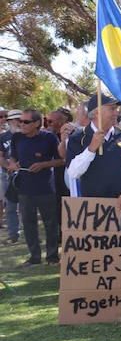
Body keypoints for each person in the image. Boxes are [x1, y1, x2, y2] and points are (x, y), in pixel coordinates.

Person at [66, 95, 121, 211]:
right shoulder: (78, 138)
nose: (116, 112)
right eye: (112, 109)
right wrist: (91, 149)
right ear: (97, 113)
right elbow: (73, 173)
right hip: (94, 210)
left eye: (116, 108)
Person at [8, 109, 63, 267]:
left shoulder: (49, 138)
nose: (21, 124)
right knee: (28, 223)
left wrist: (43, 165)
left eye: (26, 122)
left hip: (46, 188)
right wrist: (12, 163)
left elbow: (61, 160)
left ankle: (52, 256)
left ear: (37, 123)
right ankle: (34, 256)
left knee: (50, 223)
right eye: (20, 121)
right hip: (24, 188)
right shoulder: (17, 138)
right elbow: (13, 156)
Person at [0, 109, 22, 243]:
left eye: (20, 119)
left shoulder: (27, 136)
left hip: (25, 173)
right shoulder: (3, 137)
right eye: (15, 120)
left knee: (27, 205)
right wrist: (9, 166)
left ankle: (31, 233)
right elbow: (0, 156)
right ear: (10, 121)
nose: (18, 122)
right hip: (7, 174)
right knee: (10, 206)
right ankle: (13, 234)